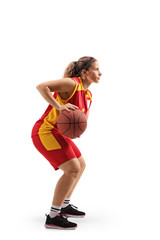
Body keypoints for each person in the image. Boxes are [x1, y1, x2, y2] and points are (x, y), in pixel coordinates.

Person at [31, 56, 102, 229]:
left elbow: (82, 121)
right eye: (96, 69)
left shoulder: (88, 95)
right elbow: (41, 86)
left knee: (81, 164)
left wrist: (77, 130)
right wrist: (59, 106)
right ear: (84, 73)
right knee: (72, 169)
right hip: (44, 132)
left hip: (58, 133)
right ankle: (53, 216)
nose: (100, 73)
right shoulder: (72, 84)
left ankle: (65, 205)